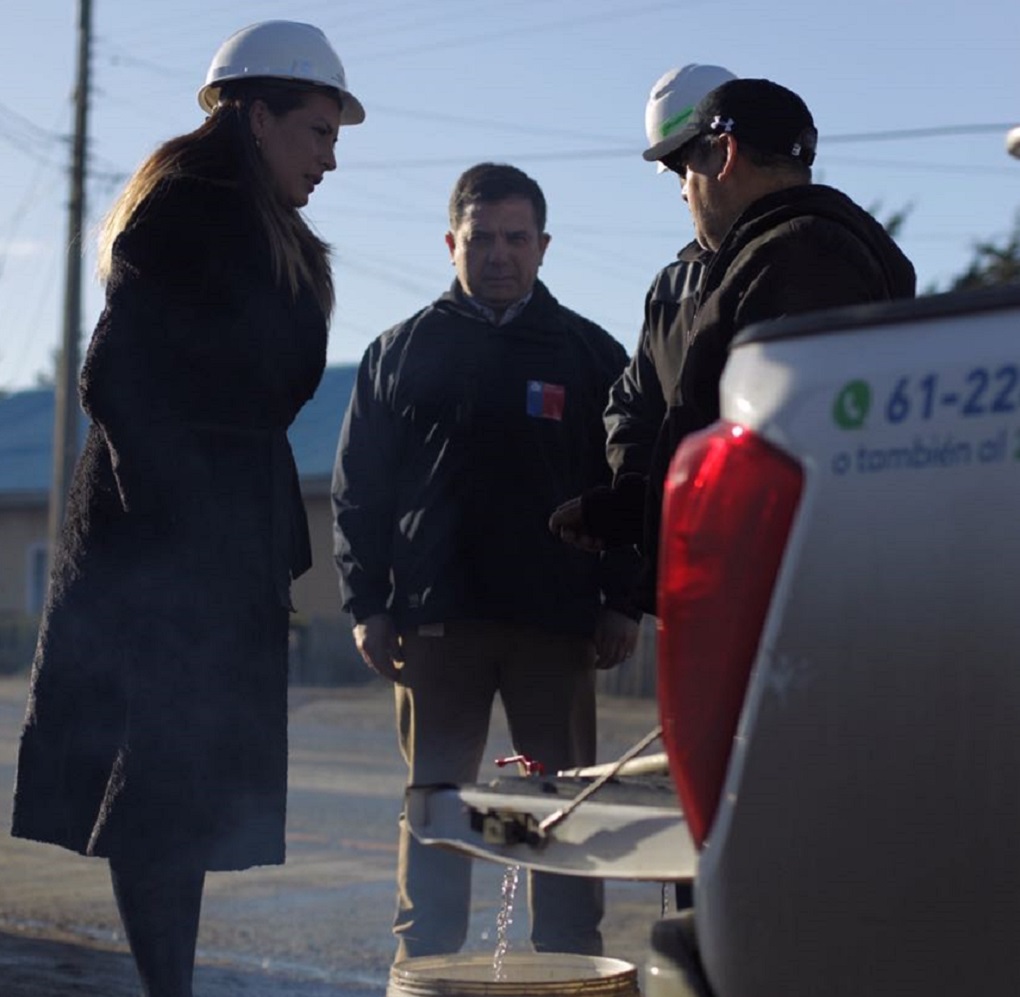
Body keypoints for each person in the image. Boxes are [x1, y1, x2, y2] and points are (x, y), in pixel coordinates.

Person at [10, 20, 364, 997]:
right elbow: (112, 374)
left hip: (213, 536)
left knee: (189, 785)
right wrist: (184, 538)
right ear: (257, 115)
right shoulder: (191, 211)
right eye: (318, 132)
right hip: (165, 547)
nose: (330, 157)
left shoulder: (256, 224)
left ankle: (173, 980)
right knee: (162, 786)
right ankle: (170, 987)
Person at [331, 162, 640, 963]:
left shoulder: (589, 354)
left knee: (564, 800)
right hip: (436, 622)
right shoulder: (401, 352)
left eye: (515, 238)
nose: (499, 254)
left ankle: (571, 958)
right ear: (450, 243)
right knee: (438, 801)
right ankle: (427, 961)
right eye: (481, 239)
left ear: (543, 245)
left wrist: (623, 599)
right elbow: (357, 489)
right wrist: (367, 601)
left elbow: (628, 486)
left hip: (556, 620)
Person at [551, 77, 916, 573]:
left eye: (686, 166)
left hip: (769, 583)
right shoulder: (785, 254)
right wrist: (636, 512)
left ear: (723, 153)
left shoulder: (802, 259)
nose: (684, 190)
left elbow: (779, 449)